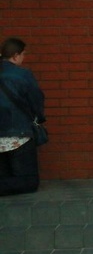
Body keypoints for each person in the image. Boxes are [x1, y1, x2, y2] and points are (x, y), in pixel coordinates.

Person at [0, 38, 46, 196]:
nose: (23, 58)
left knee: (5, 174)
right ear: (15, 55)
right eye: (23, 54)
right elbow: (36, 100)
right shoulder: (23, 74)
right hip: (20, 134)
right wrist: (38, 118)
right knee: (29, 181)